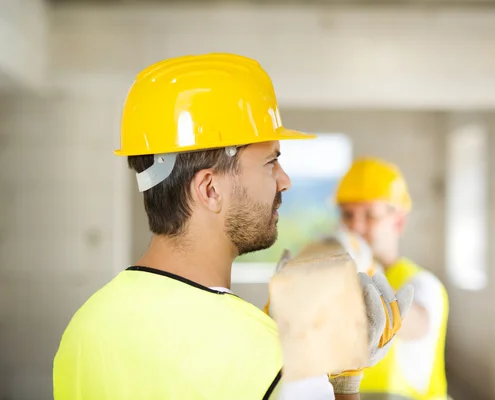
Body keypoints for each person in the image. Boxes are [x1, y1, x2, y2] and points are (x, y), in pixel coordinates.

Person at [53, 53, 405, 400]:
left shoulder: (84, 328)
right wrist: (343, 381)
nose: (285, 181)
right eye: (271, 162)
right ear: (210, 189)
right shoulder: (278, 364)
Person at [335, 158, 449, 400]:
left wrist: (366, 270)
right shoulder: (338, 283)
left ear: (398, 221)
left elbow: (417, 326)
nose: (356, 225)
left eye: (370, 215)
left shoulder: (421, 282)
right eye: (348, 214)